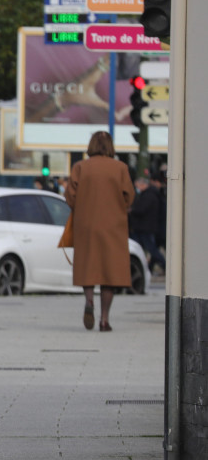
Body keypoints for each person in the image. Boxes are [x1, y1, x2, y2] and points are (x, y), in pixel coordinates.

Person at [64, 131, 135, 332]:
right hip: (113, 226)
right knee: (109, 273)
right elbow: (129, 196)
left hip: (86, 225)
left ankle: (89, 302)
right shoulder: (120, 168)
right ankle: (104, 320)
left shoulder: (80, 167)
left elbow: (70, 196)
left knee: (89, 267)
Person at [129, 175, 167, 276]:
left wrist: (132, 210)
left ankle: (163, 265)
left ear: (142, 184)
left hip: (145, 227)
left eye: (137, 186)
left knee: (150, 249)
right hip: (145, 227)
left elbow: (141, 210)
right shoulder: (151, 194)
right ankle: (149, 268)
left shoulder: (148, 196)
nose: (137, 188)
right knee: (149, 248)